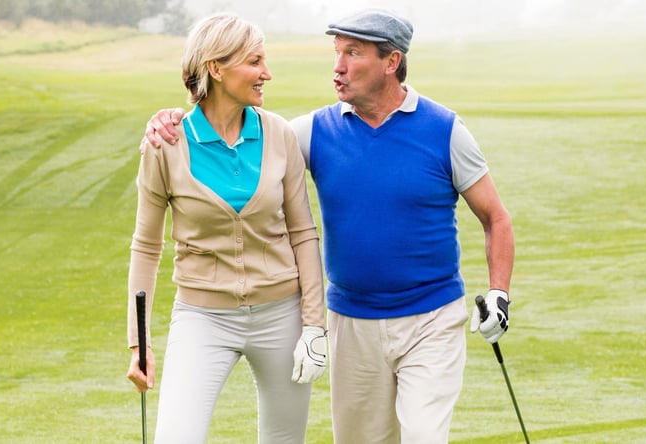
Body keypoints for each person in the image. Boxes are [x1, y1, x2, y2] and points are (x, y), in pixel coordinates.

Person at [141, 9, 515, 444]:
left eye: (353, 53)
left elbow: (495, 217)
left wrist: (499, 293)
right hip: (351, 323)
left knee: (424, 434)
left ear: (391, 62)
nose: (337, 66)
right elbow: (238, 134)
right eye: (337, 52)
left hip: (431, 318)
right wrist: (171, 119)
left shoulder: (445, 130)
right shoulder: (310, 132)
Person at [124, 13, 327, 444]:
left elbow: (303, 233)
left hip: (282, 316)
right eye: (254, 62)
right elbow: (146, 246)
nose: (266, 74)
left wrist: (314, 325)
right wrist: (137, 343)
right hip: (203, 317)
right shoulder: (167, 144)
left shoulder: (279, 135)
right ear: (215, 68)